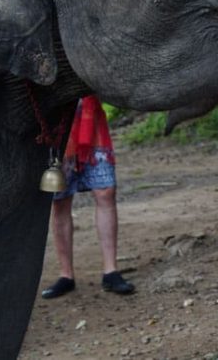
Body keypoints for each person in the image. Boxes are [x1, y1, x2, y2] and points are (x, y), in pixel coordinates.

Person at [41, 95, 136, 298]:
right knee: (60, 201)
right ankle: (66, 275)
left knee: (105, 192)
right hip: (56, 125)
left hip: (91, 121)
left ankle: (111, 271)